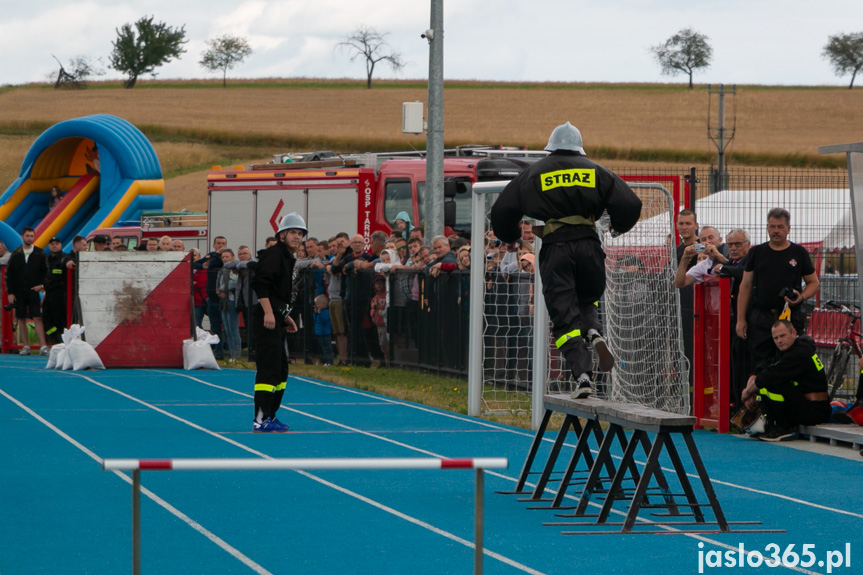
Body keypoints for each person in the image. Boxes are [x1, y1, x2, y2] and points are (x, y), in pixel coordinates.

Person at [491, 122, 642, 398]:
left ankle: (583, 375)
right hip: (589, 245)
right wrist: (617, 227)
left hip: (556, 247)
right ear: (579, 147)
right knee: (587, 299)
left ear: (551, 146)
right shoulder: (597, 171)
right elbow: (632, 204)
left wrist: (513, 236)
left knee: (563, 316)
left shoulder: (533, 174)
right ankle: (594, 332)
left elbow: (501, 211)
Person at [736, 208, 819, 365]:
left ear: (788, 229)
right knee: (760, 364)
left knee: (790, 362)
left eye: (780, 227)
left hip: (789, 317)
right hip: (761, 318)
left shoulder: (799, 252)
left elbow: (814, 282)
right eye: (772, 226)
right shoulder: (756, 252)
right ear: (767, 228)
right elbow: (745, 286)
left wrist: (801, 297)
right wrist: (741, 320)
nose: (776, 231)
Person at [250, 212, 305, 433]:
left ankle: (271, 415)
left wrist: (285, 316)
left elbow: (277, 294)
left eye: (300, 233)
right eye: (293, 232)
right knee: (269, 370)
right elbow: (260, 285)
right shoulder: (274, 255)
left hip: (276, 318)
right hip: (266, 320)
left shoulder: (288, 257)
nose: (297, 237)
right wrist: (269, 313)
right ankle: (260, 418)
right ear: (282, 234)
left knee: (281, 371)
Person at [741, 320, 830, 441]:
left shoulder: (800, 352)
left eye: (782, 336)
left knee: (772, 383)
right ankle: (773, 425)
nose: (779, 341)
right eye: (775, 338)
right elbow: (763, 367)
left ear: (793, 333)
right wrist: (750, 385)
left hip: (815, 410)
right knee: (765, 381)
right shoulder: (789, 350)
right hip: (808, 405)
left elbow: (771, 375)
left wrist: (747, 392)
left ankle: (782, 427)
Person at [4, 227, 49, 355]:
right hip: (19, 291)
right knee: (21, 317)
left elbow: (46, 272)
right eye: (27, 236)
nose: (30, 238)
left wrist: (41, 285)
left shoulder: (40, 253)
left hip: (34, 290)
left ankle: (43, 346)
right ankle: (25, 346)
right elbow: (9, 274)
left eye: (31, 236)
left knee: (37, 317)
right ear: (23, 236)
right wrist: (11, 292)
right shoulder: (16, 253)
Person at [217, 249, 242, 363]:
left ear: (232, 257)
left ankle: (236, 354)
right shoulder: (222, 270)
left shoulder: (234, 268)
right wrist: (219, 291)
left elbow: (235, 281)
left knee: (233, 329)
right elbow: (218, 282)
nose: (225, 259)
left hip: (231, 300)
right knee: (227, 330)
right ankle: (231, 353)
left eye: (227, 256)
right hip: (224, 302)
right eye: (223, 257)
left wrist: (222, 289)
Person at [42, 237, 68, 345]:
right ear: (49, 246)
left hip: (60, 295)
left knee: (59, 320)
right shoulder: (46, 260)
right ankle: (55, 338)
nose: (54, 245)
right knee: (46, 320)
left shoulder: (64, 258)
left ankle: (61, 342)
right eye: (52, 244)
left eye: (57, 243)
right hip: (48, 294)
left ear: (61, 245)